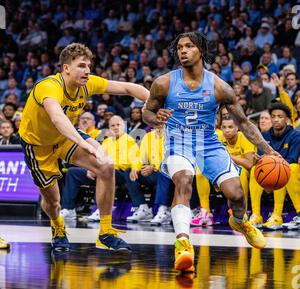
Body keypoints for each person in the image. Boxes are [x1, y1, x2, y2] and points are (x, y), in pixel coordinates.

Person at [142, 31, 278, 273]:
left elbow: (245, 123)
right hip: (178, 142)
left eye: (189, 46)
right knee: (184, 180)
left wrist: (268, 150)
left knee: (236, 194)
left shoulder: (219, 87)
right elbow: (147, 112)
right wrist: (156, 118)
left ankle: (239, 222)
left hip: (209, 143)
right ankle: (183, 242)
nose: (182, 51)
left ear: (201, 51)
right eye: (179, 47)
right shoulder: (163, 83)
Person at [19, 43, 149, 252]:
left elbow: (128, 88)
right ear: (65, 68)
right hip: (38, 145)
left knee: (105, 165)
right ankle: (57, 226)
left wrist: (152, 103)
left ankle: (105, 232)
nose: (87, 70)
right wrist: (83, 143)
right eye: (81, 65)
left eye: (89, 65)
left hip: (65, 138)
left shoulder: (88, 83)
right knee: (53, 202)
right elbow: (57, 117)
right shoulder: (49, 86)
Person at [249, 103, 300, 230]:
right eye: (273, 116)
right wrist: (258, 160)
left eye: (280, 116)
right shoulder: (265, 136)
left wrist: (273, 162)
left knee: (285, 168)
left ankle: (278, 215)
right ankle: (256, 215)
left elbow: (292, 158)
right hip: (272, 173)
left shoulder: (295, 135)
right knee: (256, 169)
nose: (276, 119)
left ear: (287, 119)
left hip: (289, 170)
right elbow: (262, 158)